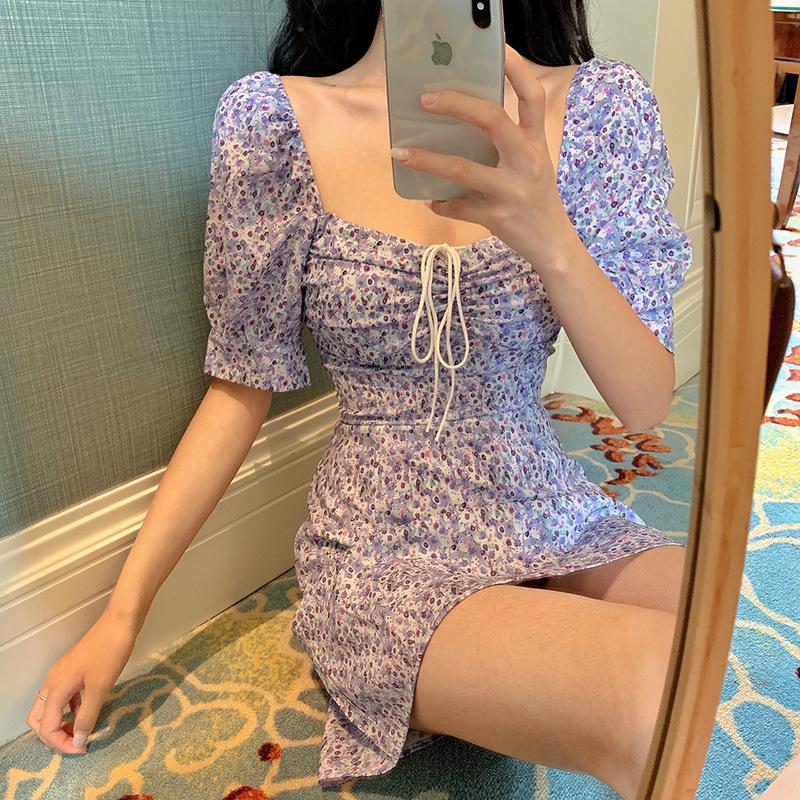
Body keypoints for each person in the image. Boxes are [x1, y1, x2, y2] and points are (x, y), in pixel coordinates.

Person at [26, 2, 693, 798]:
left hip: (549, 509)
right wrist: (122, 616)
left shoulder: (600, 107)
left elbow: (644, 402)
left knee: (709, 635)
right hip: (383, 547)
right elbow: (238, 389)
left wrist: (549, 231)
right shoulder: (274, 124)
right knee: (654, 691)